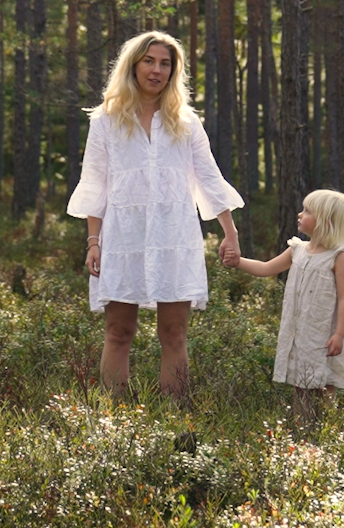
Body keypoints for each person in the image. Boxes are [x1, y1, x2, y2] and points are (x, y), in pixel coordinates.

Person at [67, 31, 243, 401]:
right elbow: (94, 184)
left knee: (175, 333)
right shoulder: (105, 121)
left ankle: (173, 416)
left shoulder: (187, 122)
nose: (157, 70)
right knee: (118, 331)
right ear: (133, 65)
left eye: (166, 63)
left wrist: (230, 232)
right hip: (121, 238)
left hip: (174, 238)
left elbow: (209, 177)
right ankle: (113, 419)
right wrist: (93, 242)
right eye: (149, 61)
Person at [224, 189, 344, 424]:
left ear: (325, 221)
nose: (300, 214)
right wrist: (238, 262)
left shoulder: (338, 257)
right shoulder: (297, 249)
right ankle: (301, 427)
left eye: (307, 211)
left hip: (323, 332)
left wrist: (339, 334)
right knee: (301, 381)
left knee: (324, 380)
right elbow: (266, 268)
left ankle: (328, 427)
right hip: (300, 330)